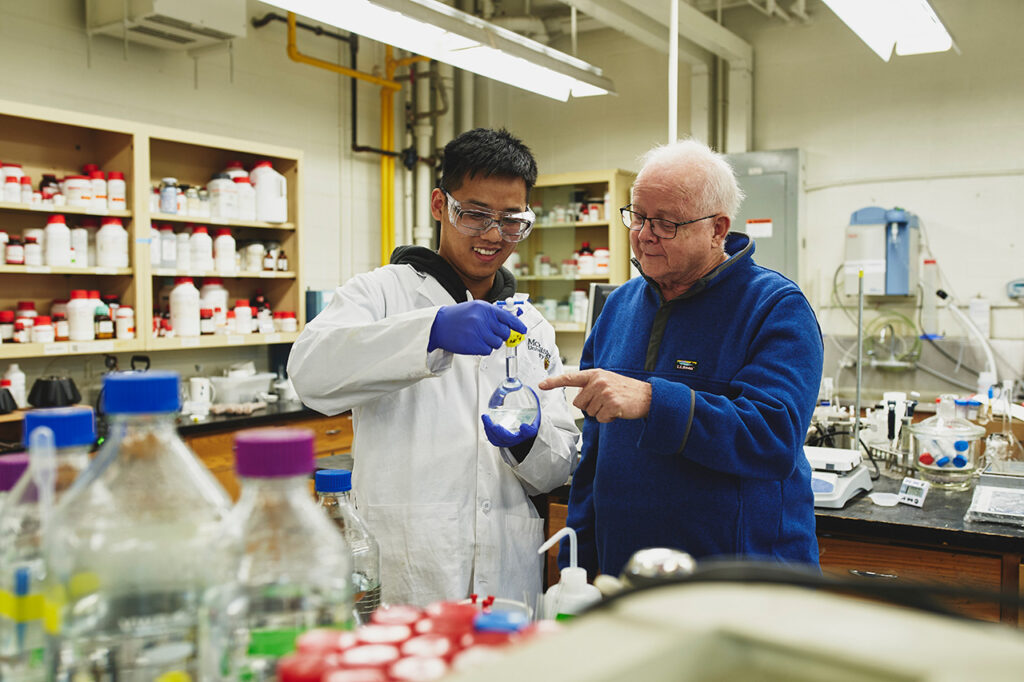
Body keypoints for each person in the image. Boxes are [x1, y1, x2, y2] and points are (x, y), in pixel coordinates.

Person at [288, 128, 579, 607]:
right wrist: (431, 331)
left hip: (505, 577)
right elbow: (309, 373)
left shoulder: (533, 327)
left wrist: (529, 441)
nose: (492, 236)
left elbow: (557, 465)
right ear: (440, 205)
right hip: (411, 570)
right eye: (475, 215)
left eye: (511, 221)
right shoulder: (381, 293)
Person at [539, 138, 823, 578]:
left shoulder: (774, 307)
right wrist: (581, 566)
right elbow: (595, 459)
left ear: (717, 228)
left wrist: (654, 400)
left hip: (738, 584)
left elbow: (773, 436)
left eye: (666, 222)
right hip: (624, 577)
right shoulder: (619, 307)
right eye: (638, 215)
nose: (644, 233)